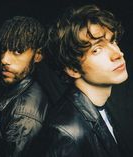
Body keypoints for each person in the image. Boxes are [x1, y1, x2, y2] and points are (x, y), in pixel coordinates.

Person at [41, 5, 129, 157]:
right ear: (73, 69)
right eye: (96, 49)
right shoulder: (66, 133)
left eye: (113, 41)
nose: (117, 54)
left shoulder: (100, 105)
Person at [0, 16, 49, 157]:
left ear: (38, 55)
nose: (4, 59)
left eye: (17, 51)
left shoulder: (24, 115)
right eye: (3, 49)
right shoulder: (10, 87)